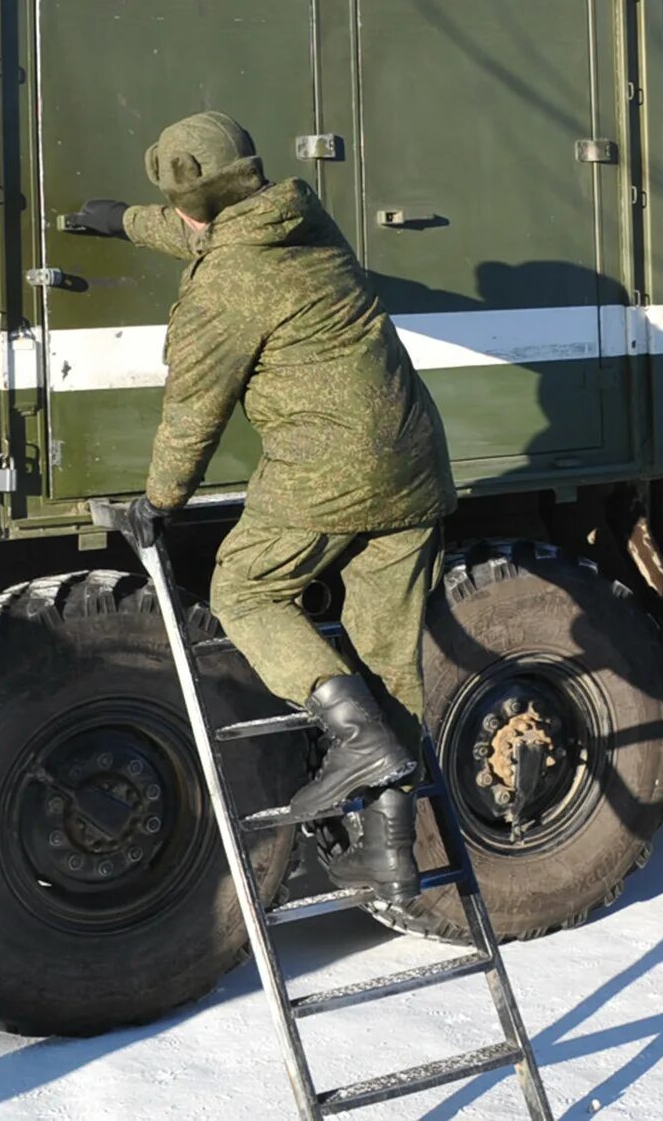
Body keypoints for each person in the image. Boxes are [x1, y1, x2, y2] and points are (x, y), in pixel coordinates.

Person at [69, 111, 457, 905]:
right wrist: (122, 223)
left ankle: (351, 736)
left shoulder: (224, 290)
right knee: (386, 657)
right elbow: (210, 235)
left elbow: (193, 408)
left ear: (193, 203)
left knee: (245, 588)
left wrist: (157, 501)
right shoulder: (301, 219)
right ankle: (389, 852)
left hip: (329, 468)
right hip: (416, 462)